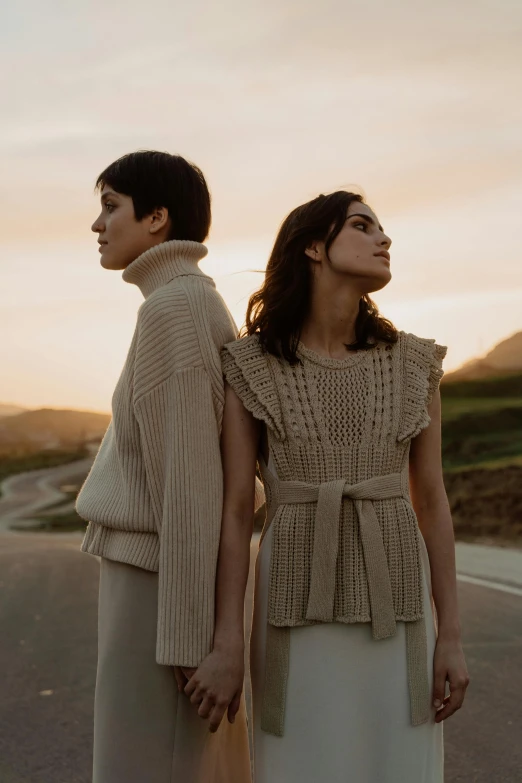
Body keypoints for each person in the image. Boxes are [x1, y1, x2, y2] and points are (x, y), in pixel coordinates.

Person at [186, 191, 470, 782]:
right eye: (363, 226)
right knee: (301, 763)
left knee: (398, 765)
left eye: (382, 228)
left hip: (399, 605)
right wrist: (227, 644)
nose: (383, 238)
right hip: (292, 606)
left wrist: (453, 639)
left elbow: (432, 503)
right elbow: (237, 511)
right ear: (313, 246)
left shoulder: (414, 363)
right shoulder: (252, 364)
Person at [75, 150, 254, 783]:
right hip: (156, 578)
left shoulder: (173, 310)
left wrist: (187, 637)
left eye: (110, 206)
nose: (97, 225)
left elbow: (192, 486)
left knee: (145, 765)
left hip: (157, 586)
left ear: (156, 218)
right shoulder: (184, 301)